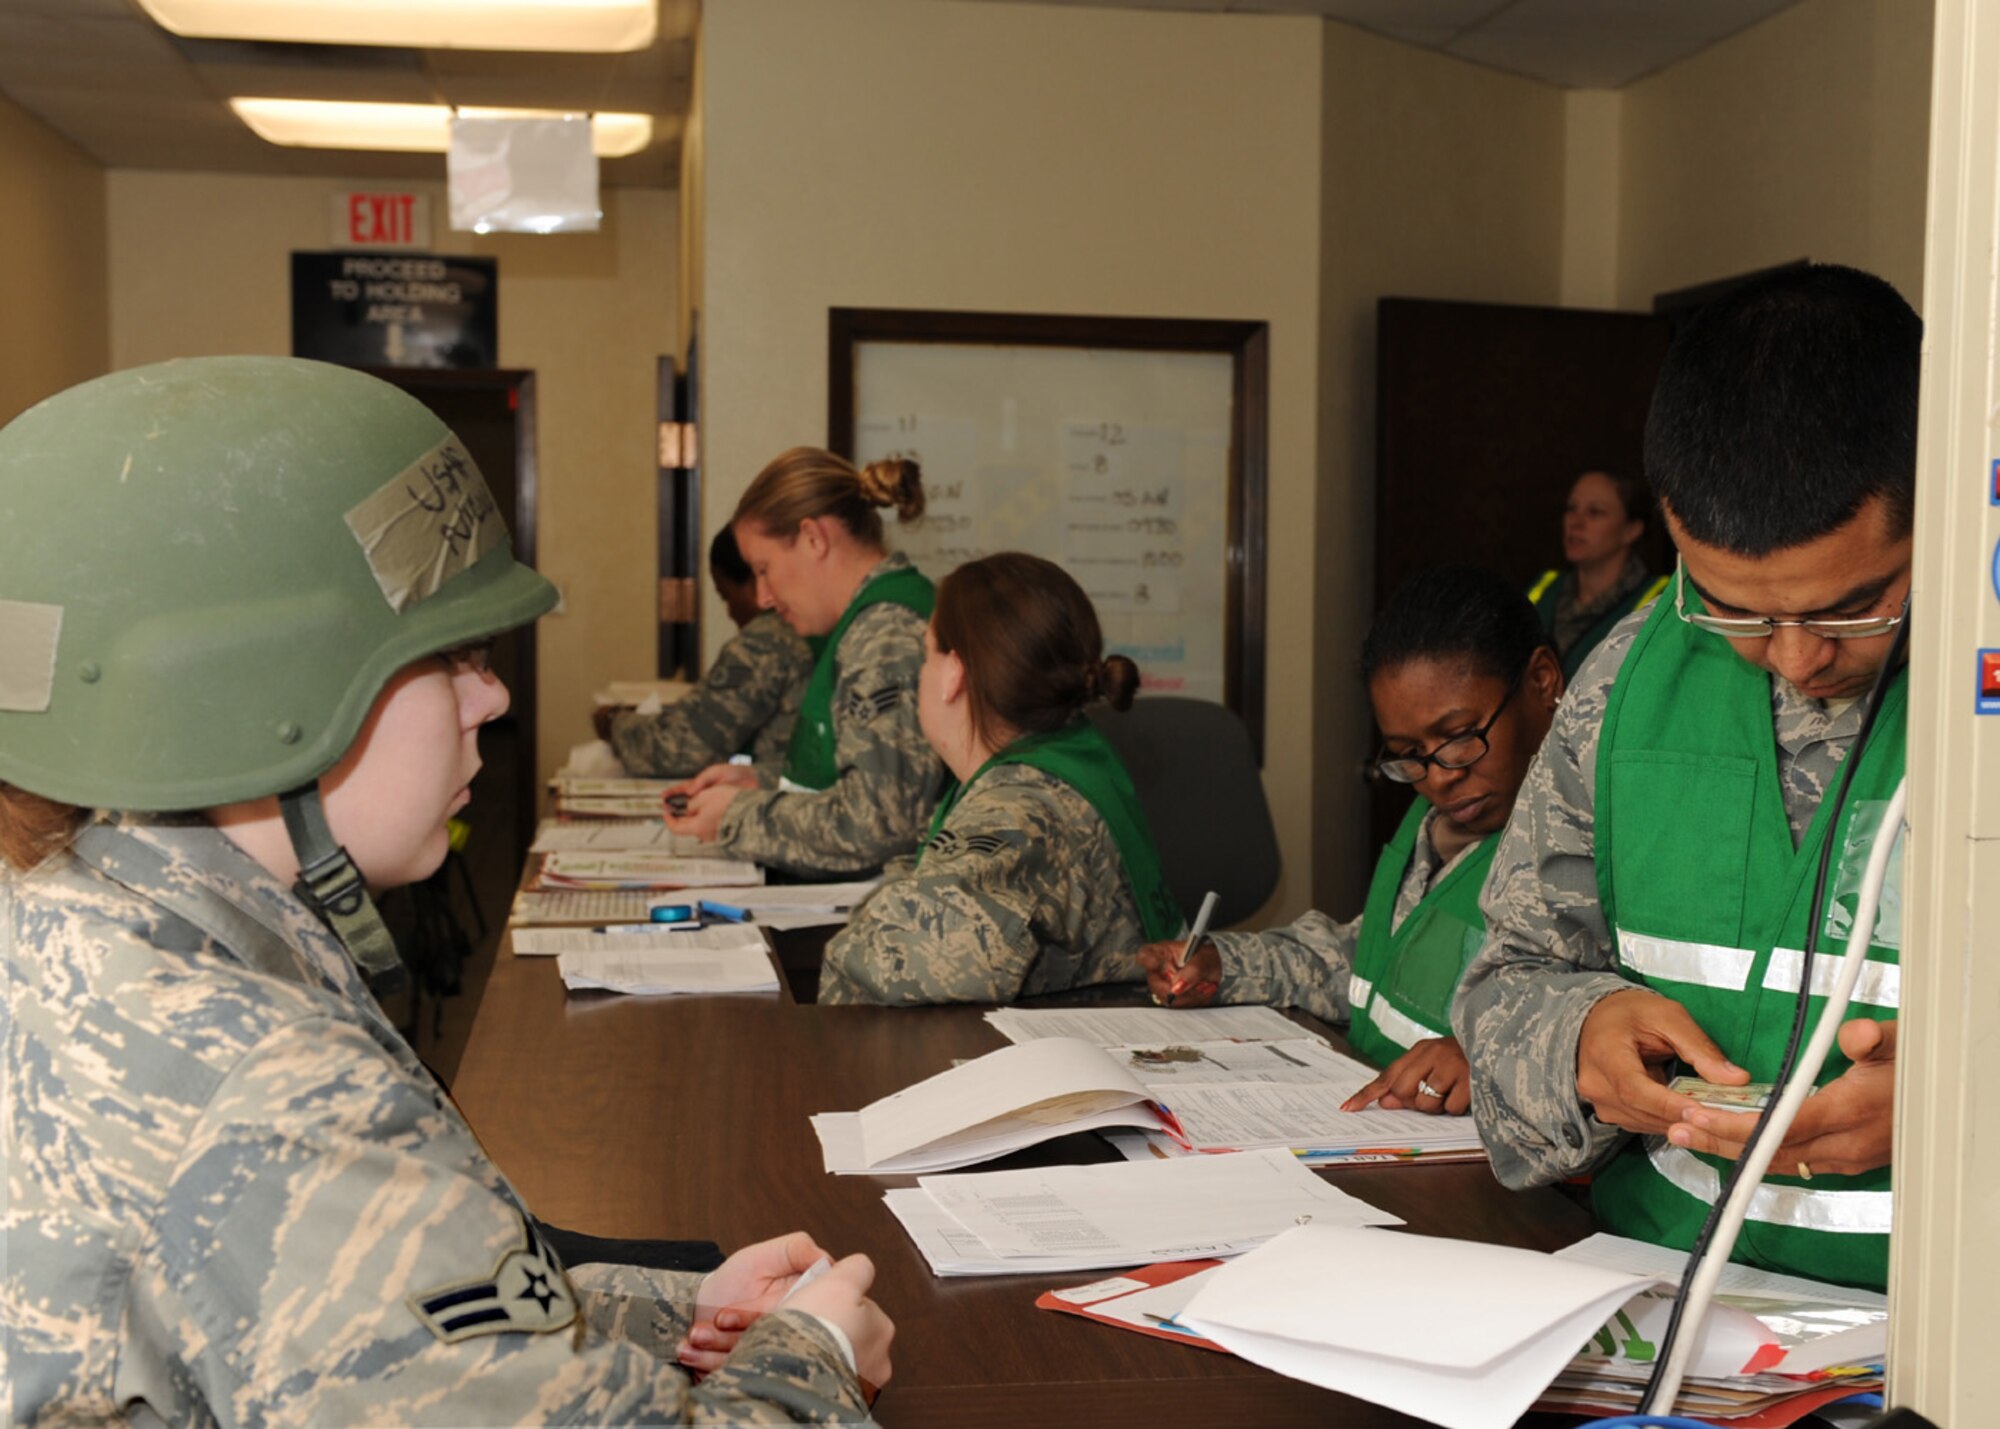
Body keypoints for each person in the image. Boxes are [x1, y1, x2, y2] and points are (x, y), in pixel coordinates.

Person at [0, 358, 892, 1423]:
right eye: (448, 655)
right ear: (271, 697)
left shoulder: (81, 914)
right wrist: (812, 1351)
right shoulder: (271, 1083)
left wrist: (677, 1308)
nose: (494, 691)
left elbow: (354, 1328)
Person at [1455, 263, 1915, 1292]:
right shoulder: (1621, 681)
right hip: (1664, 1306)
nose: (1794, 657)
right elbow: (1503, 984)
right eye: (1733, 608)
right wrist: (1577, 1038)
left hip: (1949, 1344)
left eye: (1849, 607)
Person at [1136, 565, 1564, 1116]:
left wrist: (1488, 1060)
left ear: (1544, 681)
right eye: (1408, 753)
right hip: (1384, 1130)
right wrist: (1227, 965)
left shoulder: (1579, 843)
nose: (1438, 776)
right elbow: (1373, 960)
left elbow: (1602, 1030)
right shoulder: (1440, 813)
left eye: (1459, 738)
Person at [819, 553, 1181, 1005]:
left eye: (926, 654)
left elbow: (887, 974)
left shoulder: (1017, 809)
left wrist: (852, 937)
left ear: (954, 674)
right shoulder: (1068, 755)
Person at [663, 447, 943, 877]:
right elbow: (862, 779)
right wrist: (764, 781)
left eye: (763, 569)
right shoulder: (866, 622)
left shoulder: (885, 637)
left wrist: (738, 815)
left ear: (814, 539)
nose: (762, 598)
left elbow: (876, 823)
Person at [597, 526, 816, 776]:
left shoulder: (764, 643)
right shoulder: (807, 627)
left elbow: (679, 750)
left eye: (726, 596)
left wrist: (616, 723)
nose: (730, 612)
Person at [1527, 469, 1668, 678]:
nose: (1576, 522)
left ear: (1632, 530)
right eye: (1571, 509)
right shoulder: (1544, 587)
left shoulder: (1660, 599)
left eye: (1595, 512)